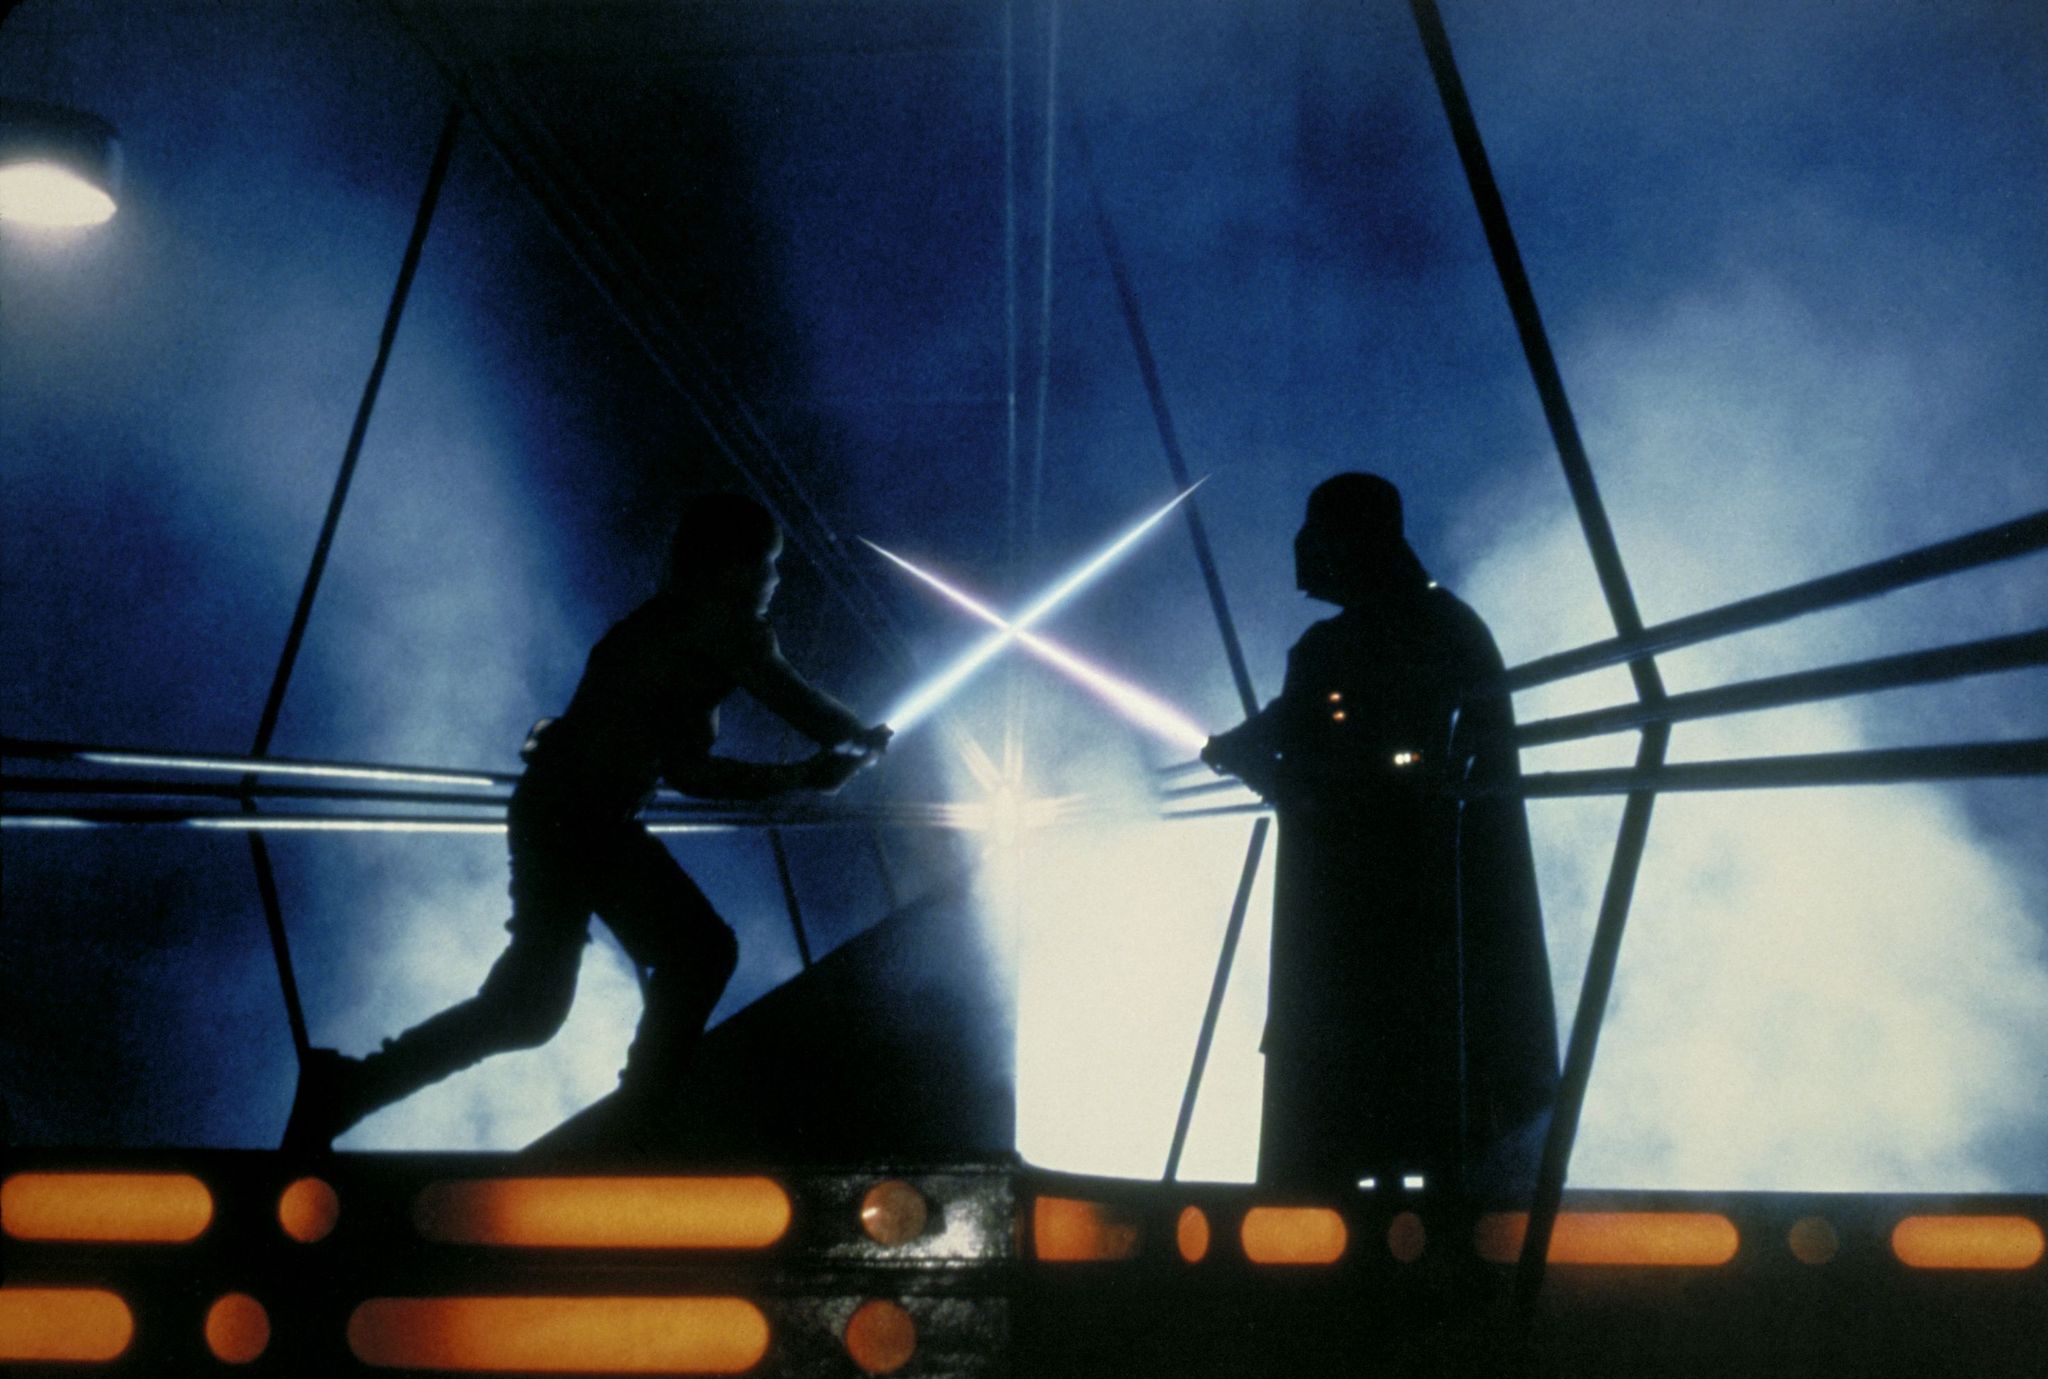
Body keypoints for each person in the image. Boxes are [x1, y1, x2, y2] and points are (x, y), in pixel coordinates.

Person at [283, 493, 892, 1151]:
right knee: (694, 953)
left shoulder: (672, 626)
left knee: (530, 1008)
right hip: (582, 817)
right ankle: (641, 1114)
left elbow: (689, 770)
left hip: (565, 812)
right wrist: (850, 745)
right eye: (765, 561)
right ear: (727, 565)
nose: (774, 578)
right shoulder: (725, 628)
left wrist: (802, 774)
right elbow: (797, 707)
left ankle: (351, 1088)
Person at [1201, 473, 1556, 1197]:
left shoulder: (1368, 640)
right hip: (1424, 938)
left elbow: (1330, 754)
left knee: (1362, 1099)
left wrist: (1261, 765)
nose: (1303, 549)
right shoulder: (1444, 628)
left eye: (1317, 531)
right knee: (1424, 1097)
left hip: (1382, 933)